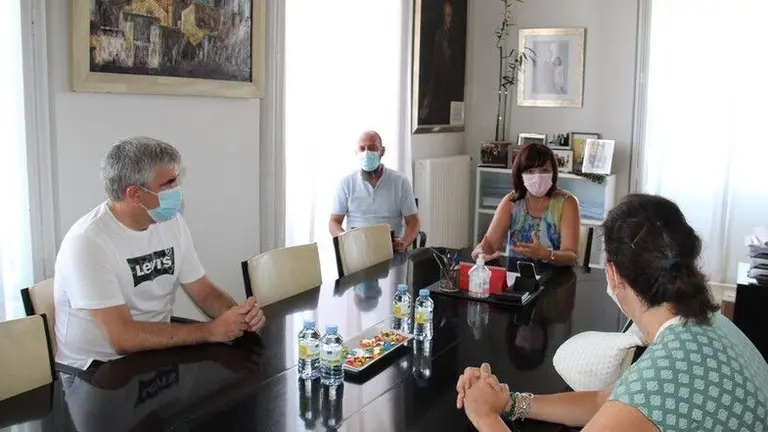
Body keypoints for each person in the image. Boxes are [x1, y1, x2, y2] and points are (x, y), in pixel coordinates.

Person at [456, 194, 768, 431]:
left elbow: (635, 400)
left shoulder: (661, 378)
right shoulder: (709, 324)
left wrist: (485, 416)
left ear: (614, 275)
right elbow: (604, 401)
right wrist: (509, 402)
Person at [54, 137, 266, 371]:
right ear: (135, 194)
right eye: (169, 183)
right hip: (96, 367)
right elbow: (121, 337)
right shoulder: (87, 242)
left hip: (155, 351)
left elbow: (203, 290)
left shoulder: (170, 221)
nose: (177, 190)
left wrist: (239, 317)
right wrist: (210, 331)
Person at [471, 143, 580, 266]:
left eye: (544, 170)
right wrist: (480, 253)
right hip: (515, 274)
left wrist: (545, 254)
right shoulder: (512, 202)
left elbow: (571, 255)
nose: (538, 177)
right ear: (520, 175)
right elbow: (490, 244)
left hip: (557, 275)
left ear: (554, 172)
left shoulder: (567, 203)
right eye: (530, 171)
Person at [329, 130, 420, 252]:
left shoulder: (400, 181)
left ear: (382, 151)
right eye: (362, 149)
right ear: (356, 152)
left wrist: (404, 242)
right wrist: (344, 238)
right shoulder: (346, 183)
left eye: (372, 148)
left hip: (391, 249)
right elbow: (334, 222)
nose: (367, 153)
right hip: (357, 251)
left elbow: (413, 222)